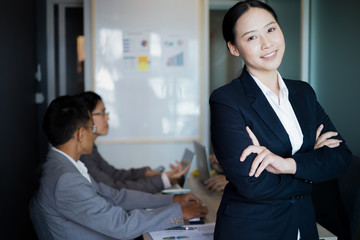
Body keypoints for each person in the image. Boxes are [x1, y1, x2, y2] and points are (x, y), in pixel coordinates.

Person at [209, 1, 352, 240]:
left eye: (271, 29)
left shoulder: (303, 93)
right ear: (234, 48)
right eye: (252, 37)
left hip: (304, 225)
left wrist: (287, 165)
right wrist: (312, 168)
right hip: (253, 230)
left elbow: (341, 158)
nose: (267, 43)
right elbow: (252, 184)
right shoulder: (227, 100)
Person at [35, 95, 208, 239]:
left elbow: (117, 197)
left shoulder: (64, 166)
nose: (93, 131)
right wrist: (178, 213)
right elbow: (121, 225)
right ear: (80, 134)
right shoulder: (67, 179)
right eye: (90, 127)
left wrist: (171, 201)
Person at [78, 91, 189, 194]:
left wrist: (148, 174)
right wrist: (163, 179)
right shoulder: (84, 155)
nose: (107, 118)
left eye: (106, 113)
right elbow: (114, 188)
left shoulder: (91, 148)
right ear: (87, 117)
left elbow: (114, 174)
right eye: (102, 113)